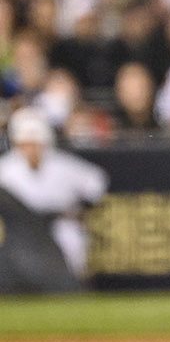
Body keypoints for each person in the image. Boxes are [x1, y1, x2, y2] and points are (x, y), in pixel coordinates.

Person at [0, 106, 108, 281]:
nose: (30, 148)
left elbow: (96, 182)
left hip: (59, 224)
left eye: (34, 143)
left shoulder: (61, 164)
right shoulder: (7, 168)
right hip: (23, 231)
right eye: (25, 143)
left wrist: (81, 209)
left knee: (71, 257)